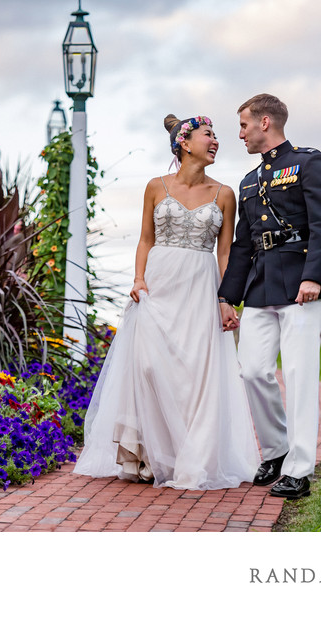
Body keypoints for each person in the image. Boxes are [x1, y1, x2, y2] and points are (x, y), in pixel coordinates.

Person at [73, 113, 261, 490]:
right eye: (209, 135)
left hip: (199, 286)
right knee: (149, 366)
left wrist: (227, 299)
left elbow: (224, 254)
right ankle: (150, 454)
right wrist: (139, 278)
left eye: (217, 136)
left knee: (196, 372)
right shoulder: (155, 187)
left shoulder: (224, 194)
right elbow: (145, 239)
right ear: (184, 143)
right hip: (159, 284)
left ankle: (192, 457)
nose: (217, 142)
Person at [218, 94, 321, 499]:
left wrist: (314, 276)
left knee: (300, 375)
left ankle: (300, 469)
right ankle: (276, 450)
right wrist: (227, 297)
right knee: (252, 370)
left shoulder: (309, 162)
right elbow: (242, 245)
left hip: (301, 284)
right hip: (261, 285)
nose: (240, 134)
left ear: (265, 122)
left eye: (244, 126)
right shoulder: (249, 181)